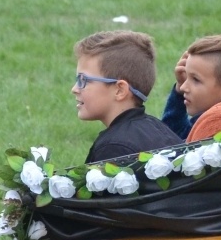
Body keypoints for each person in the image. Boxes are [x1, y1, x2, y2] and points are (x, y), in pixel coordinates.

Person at [73, 30, 183, 164]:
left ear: (120, 90)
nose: (74, 89)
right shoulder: (158, 129)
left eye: (83, 80)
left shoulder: (114, 149)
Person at [160, 33, 221, 139]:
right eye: (186, 76)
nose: (183, 88)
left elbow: (170, 143)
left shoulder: (212, 131)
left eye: (196, 80)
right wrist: (178, 92)